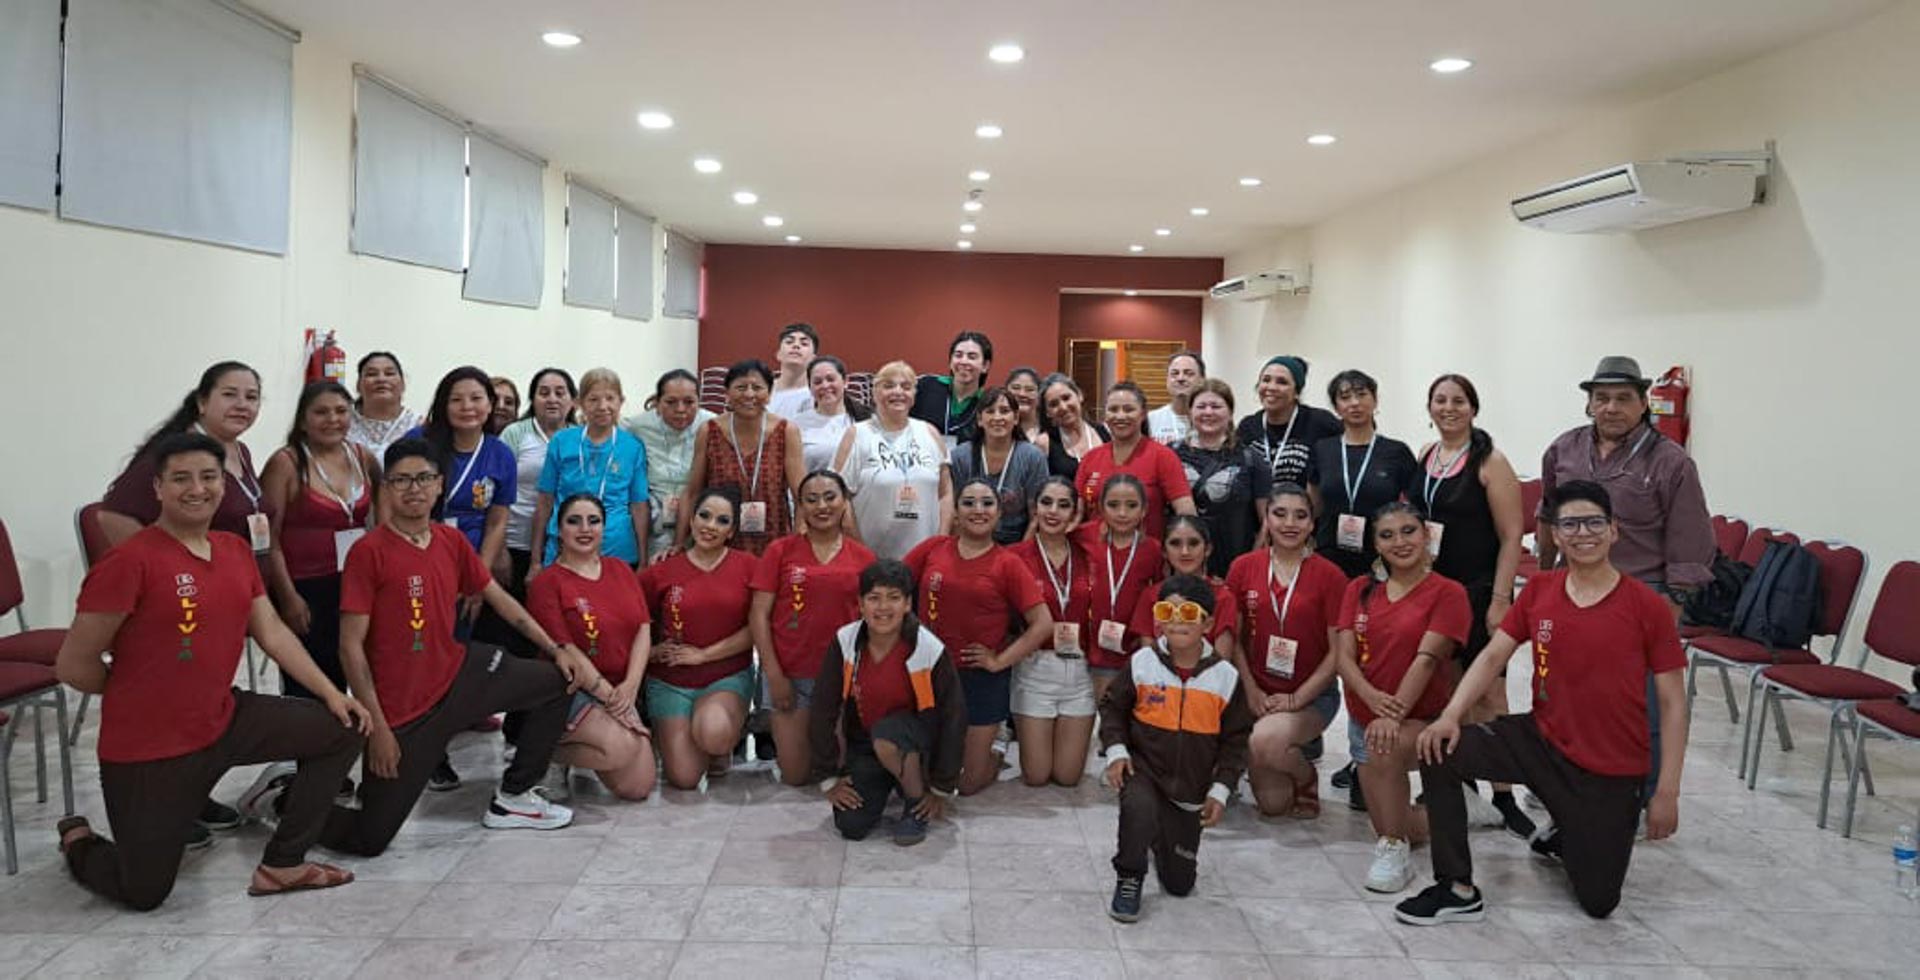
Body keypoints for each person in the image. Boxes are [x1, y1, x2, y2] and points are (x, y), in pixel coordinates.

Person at [54, 432, 370, 910]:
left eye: (208, 477)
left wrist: (331, 693)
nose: (197, 489)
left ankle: (283, 863)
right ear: (157, 488)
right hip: (148, 747)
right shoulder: (129, 561)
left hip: (224, 719)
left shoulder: (233, 549)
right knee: (144, 891)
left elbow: (273, 632)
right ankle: (78, 839)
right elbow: (73, 665)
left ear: (223, 484)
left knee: (343, 728)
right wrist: (139, 694)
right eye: (181, 478)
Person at [1395, 480, 1689, 925]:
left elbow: (1673, 704)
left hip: (1610, 767)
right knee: (1439, 748)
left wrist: (1666, 792)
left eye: (1594, 523)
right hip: (1541, 740)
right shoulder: (1539, 590)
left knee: (1599, 903)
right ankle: (1456, 887)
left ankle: (1565, 832)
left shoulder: (1647, 606)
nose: (1583, 533)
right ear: (1554, 534)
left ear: (1614, 530)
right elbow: (1493, 655)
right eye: (1570, 524)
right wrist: (1451, 716)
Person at [319, 439, 597, 856]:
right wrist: (377, 728)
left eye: (424, 478)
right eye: (401, 480)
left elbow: (501, 601)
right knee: (369, 839)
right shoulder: (368, 552)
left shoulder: (449, 540)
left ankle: (515, 796)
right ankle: (291, 806)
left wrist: (556, 647)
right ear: (386, 488)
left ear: (439, 485)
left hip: (461, 673)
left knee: (558, 679)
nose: (414, 488)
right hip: (404, 711)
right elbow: (350, 647)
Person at [98, 360, 275, 840]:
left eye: (252, 397)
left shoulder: (237, 452)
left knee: (206, 701)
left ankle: (192, 794)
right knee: (179, 704)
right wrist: (168, 571)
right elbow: (112, 516)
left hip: (224, 600)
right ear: (201, 401)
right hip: (183, 603)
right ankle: (169, 803)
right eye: (230, 394)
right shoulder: (171, 454)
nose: (242, 405)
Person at [1536, 355, 1712, 821]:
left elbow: (1690, 537)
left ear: (1642, 403)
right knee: (1567, 692)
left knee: (1640, 703)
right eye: (1602, 398)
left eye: (1622, 398)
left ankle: (1643, 796)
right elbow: (1547, 517)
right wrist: (1545, 577)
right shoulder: (1565, 449)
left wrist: (1674, 604)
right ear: (1589, 404)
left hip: (1642, 591)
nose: (1611, 408)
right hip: (1572, 587)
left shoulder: (1671, 462)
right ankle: (1563, 778)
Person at [1410, 374, 1533, 838]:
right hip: (1438, 591)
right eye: (1440, 400)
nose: (1448, 408)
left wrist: (1500, 600)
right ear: (1429, 407)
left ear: (1473, 408)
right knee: (1450, 688)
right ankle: (1463, 783)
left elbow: (1511, 537)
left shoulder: (1490, 462)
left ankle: (1504, 793)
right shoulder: (1427, 454)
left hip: (1481, 591)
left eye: (1458, 401)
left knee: (1489, 694)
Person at [1334, 502, 1470, 894]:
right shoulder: (1358, 589)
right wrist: (1370, 697)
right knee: (1394, 822)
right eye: (1387, 535)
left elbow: (1427, 661)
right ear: (1376, 544)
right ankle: (1452, 810)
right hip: (1365, 716)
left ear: (1427, 535)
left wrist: (1391, 714)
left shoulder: (1448, 592)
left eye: (1409, 531)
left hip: (1421, 719)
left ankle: (1396, 853)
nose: (1400, 542)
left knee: (1386, 752)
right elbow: (1343, 657)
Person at [1101, 574, 1252, 923]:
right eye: (1167, 612)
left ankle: (1161, 837)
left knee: (1180, 884)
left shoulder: (1225, 677)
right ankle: (1130, 875)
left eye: (1188, 614)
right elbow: (1112, 708)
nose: (1176, 622)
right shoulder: (1143, 662)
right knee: (1138, 808)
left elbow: (1236, 741)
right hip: (1144, 770)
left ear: (1207, 624)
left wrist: (1221, 789)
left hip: (1190, 789)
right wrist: (1117, 751)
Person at [904, 479, 1052, 795]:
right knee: (927, 773)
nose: (978, 510)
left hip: (980, 678)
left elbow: (1042, 624)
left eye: (987, 503)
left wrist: (999, 661)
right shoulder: (933, 548)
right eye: (969, 502)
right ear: (956, 512)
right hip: (929, 673)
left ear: (999, 515)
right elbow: (891, 586)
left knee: (967, 784)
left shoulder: (1008, 563)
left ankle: (997, 746)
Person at [810, 559, 966, 846]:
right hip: (866, 745)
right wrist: (828, 778)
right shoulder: (845, 641)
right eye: (874, 598)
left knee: (888, 734)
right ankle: (891, 781)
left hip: (916, 745)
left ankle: (914, 801)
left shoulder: (929, 648)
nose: (883, 608)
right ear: (860, 604)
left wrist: (942, 786)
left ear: (908, 604)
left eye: (894, 598)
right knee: (851, 825)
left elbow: (953, 717)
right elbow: (822, 709)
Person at [1225, 484, 1347, 818]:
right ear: (1266, 519)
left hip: (1312, 697)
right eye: (1280, 514)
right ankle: (1270, 754)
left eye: (1300, 515)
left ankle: (1306, 776)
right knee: (1274, 807)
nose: (1290, 523)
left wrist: (1297, 699)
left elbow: (1338, 653)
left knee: (1264, 741)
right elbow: (1234, 640)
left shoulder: (1331, 576)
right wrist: (1251, 691)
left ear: (1312, 523)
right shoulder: (1243, 567)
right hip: (1257, 692)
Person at [526, 494, 658, 801]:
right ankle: (544, 752)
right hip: (569, 689)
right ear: (559, 529)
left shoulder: (620, 569)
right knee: (621, 747)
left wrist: (630, 687)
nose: (585, 529)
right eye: (574, 521)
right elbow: (567, 650)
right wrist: (613, 700)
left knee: (638, 787)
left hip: (619, 687)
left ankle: (590, 742)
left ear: (604, 527)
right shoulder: (547, 582)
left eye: (593, 521)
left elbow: (643, 629)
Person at [750, 471, 876, 786]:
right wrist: (774, 675)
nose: (822, 506)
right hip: (791, 675)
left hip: (843, 676)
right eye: (812, 499)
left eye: (830, 497)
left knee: (838, 768)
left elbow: (877, 621)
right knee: (796, 776)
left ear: (845, 502)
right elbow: (759, 615)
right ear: (801, 507)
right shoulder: (780, 551)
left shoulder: (863, 557)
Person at [261, 381, 380, 701]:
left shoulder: (362, 457)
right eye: (321, 412)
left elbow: (382, 520)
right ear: (303, 420)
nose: (333, 419)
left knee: (352, 666)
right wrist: (287, 597)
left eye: (341, 411)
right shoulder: (285, 463)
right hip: (305, 587)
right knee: (311, 683)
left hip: (355, 582)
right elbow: (268, 539)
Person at [641, 488, 757, 788]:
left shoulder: (749, 566)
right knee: (684, 778)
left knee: (713, 733)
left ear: (732, 531)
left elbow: (758, 628)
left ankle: (718, 745)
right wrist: (651, 652)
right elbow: (631, 624)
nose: (710, 526)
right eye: (704, 516)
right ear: (691, 520)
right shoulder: (660, 570)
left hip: (726, 675)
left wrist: (704, 655)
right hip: (670, 680)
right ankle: (687, 742)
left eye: (722, 521)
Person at [1008, 477, 1097, 787]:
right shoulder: (1015, 556)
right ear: (1034, 507)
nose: (1053, 511)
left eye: (1063, 505)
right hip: (1034, 669)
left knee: (1068, 777)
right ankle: (999, 739)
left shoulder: (1087, 554)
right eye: (1046, 502)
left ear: (1075, 513)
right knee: (1036, 776)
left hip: (1080, 671)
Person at [682, 360, 805, 556]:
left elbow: (801, 497)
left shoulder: (786, 431)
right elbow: (693, 492)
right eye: (741, 387)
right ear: (727, 393)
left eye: (757, 388)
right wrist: (680, 543)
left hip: (774, 543)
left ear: (769, 394)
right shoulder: (709, 431)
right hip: (719, 543)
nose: (749, 394)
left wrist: (798, 546)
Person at [530, 368, 651, 568]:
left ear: (621, 401)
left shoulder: (632, 447)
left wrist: (644, 560)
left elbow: (639, 506)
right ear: (579, 403)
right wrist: (535, 560)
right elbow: (545, 501)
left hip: (615, 550)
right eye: (593, 399)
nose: (602, 406)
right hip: (564, 548)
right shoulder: (561, 441)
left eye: (610, 398)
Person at [835, 360, 952, 562]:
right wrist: (862, 552)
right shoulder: (857, 434)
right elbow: (840, 497)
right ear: (874, 393)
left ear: (914, 395)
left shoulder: (930, 432)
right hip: (871, 558)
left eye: (906, 386)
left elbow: (946, 493)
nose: (898, 392)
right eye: (888, 385)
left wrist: (941, 540)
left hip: (925, 557)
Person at [1311, 370, 1418, 579]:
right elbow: (1314, 505)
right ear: (1336, 408)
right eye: (1345, 397)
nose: (1354, 403)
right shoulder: (1323, 449)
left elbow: (1413, 509)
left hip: (1382, 558)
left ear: (1375, 400)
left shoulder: (1396, 451)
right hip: (1329, 555)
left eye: (1361, 395)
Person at [500, 369, 579, 625]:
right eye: (544, 393)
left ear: (573, 400)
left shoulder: (582, 437)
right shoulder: (515, 433)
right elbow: (497, 491)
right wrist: (499, 548)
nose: (552, 399)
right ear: (532, 399)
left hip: (565, 544)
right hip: (516, 540)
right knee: (516, 619)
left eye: (560, 393)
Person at [1078, 474, 1163, 705]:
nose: (1122, 513)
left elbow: (1157, 596)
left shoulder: (1153, 549)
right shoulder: (1083, 536)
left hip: (1130, 650)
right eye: (1113, 505)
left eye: (1132, 506)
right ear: (1101, 508)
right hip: (1085, 649)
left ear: (1144, 510)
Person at [1074, 382, 1195, 542]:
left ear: (1143, 414)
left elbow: (1186, 512)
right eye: (1113, 409)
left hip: (1146, 552)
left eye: (1128, 409)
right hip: (1094, 552)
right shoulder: (1091, 458)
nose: (1120, 416)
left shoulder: (1163, 456)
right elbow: (1077, 512)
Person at [626, 369, 716, 562]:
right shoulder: (636, 426)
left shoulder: (712, 425)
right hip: (652, 518)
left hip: (698, 517)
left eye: (689, 402)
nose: (681, 409)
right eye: (671, 402)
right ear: (657, 403)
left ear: (699, 402)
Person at [1174, 378, 1261, 575]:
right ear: (1190, 412)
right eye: (1201, 406)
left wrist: (1251, 566)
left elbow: (1265, 522)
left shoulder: (1250, 458)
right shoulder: (1170, 455)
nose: (1208, 412)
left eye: (1216, 406)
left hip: (1234, 564)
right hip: (1181, 564)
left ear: (1230, 412)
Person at [1127, 515, 1239, 662]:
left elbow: (1221, 662)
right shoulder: (1150, 595)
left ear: (1207, 549)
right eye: (1175, 544)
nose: (1185, 552)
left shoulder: (1223, 597)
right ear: (1164, 551)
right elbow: (1147, 660)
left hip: (1207, 675)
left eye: (1193, 543)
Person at [948, 386, 1049, 544]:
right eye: (990, 411)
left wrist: (1020, 553)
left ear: (1016, 418)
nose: (997, 417)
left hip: (1017, 544)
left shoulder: (1033, 457)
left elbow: (1036, 516)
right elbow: (954, 514)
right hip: (970, 542)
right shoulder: (960, 457)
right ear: (979, 419)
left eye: (1004, 411)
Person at [1235, 355, 1341, 488]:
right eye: (1266, 380)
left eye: (1282, 382)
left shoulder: (1320, 423)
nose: (1271, 387)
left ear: (1297, 392)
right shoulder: (1247, 426)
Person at [910, 330, 993, 450]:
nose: (964, 361)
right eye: (958, 355)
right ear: (950, 361)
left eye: (972, 357)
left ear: (985, 366)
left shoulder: (988, 403)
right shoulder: (924, 385)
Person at [791, 355, 867, 473]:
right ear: (810, 387)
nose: (825, 386)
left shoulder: (867, 421)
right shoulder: (796, 425)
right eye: (817, 382)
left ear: (845, 382)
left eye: (830, 379)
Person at [347, 352, 422, 463]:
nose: (381, 379)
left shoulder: (419, 425)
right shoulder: (343, 423)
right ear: (358, 385)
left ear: (403, 384)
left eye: (389, 374)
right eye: (372, 374)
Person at [1034, 373, 1108, 482]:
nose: (1063, 407)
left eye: (1066, 398)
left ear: (1079, 396)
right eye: (1054, 404)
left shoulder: (1105, 432)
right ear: (1047, 413)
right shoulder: (1044, 443)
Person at [1148, 350, 1205, 446]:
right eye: (1174, 373)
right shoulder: (1150, 420)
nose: (1180, 378)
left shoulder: (1209, 421)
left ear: (1201, 380)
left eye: (1189, 373)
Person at [768, 321, 820, 420]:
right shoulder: (761, 390)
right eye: (789, 342)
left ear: (813, 359)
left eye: (804, 344)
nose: (796, 346)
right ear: (778, 354)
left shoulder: (816, 396)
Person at [1004, 367, 1046, 443]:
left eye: (1030, 389)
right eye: (1016, 388)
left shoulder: (1050, 427)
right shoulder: (1000, 426)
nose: (1022, 394)